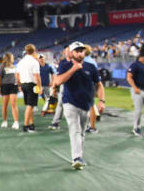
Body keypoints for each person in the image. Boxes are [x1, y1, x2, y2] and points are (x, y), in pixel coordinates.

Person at [54, 41, 105, 170]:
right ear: (71, 53)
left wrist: (102, 100)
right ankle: (76, 157)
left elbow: (99, 84)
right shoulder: (64, 65)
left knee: (81, 132)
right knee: (75, 130)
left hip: (86, 104)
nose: (80, 53)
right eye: (77, 51)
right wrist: (73, 69)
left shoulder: (90, 67)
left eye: (81, 51)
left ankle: (79, 156)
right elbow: (58, 81)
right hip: (70, 103)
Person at [15, 44, 42, 133]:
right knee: (30, 106)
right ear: (34, 51)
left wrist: (19, 85)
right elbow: (37, 76)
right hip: (32, 85)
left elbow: (17, 75)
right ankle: (26, 125)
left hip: (23, 84)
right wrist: (39, 86)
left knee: (29, 105)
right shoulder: (34, 62)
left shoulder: (21, 62)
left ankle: (31, 124)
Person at [0, 53, 20, 129]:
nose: (13, 58)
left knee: (13, 103)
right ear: (8, 58)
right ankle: (4, 121)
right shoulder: (2, 66)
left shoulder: (14, 66)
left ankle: (16, 122)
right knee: (5, 105)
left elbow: (17, 76)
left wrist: (19, 84)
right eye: (12, 57)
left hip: (13, 86)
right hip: (5, 86)